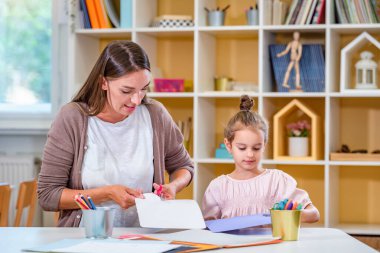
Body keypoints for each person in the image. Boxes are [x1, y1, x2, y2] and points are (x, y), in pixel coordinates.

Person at [38, 41, 194, 227]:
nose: (137, 100)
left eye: (143, 89)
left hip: (145, 238)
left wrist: (173, 186)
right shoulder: (72, 118)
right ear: (103, 82)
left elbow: (184, 167)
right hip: (87, 237)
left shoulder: (155, 114)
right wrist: (106, 194)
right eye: (126, 91)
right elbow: (48, 196)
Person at [202, 95, 319, 223]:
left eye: (256, 148)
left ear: (264, 145)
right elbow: (208, 227)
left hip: (271, 243)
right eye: (242, 148)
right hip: (230, 243)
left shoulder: (277, 181)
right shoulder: (218, 187)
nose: (250, 154)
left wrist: (290, 216)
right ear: (229, 145)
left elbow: (314, 214)